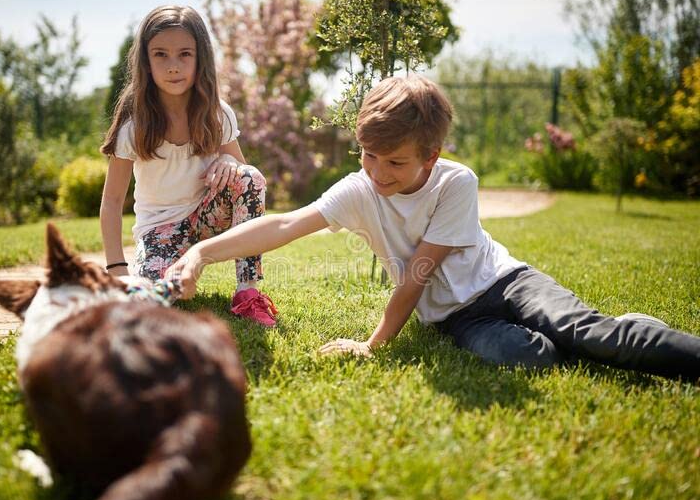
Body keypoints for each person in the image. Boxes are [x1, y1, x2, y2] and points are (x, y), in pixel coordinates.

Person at [167, 74, 700, 380]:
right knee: (531, 358)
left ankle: (627, 333)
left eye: (394, 163)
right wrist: (201, 254)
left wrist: (373, 344)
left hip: (509, 283)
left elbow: (419, 272)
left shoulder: (455, 182)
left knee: (588, 333)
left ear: (430, 156)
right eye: (368, 156)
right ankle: (603, 335)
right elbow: (284, 224)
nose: (377, 173)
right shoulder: (361, 187)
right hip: (457, 320)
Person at [99, 5, 277, 326]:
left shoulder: (217, 114)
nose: (173, 66)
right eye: (161, 55)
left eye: (184, 54)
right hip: (160, 231)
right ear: (146, 62)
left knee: (250, 177)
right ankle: (160, 274)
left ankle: (248, 292)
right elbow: (112, 202)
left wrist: (225, 158)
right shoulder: (134, 125)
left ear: (200, 58)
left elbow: (244, 181)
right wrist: (117, 271)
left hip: (208, 220)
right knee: (150, 299)